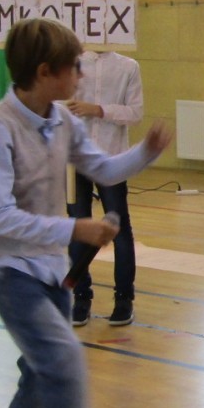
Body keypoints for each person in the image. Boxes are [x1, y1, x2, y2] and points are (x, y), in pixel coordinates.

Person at [0, 18, 170, 408]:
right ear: (45, 72)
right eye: (74, 67)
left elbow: (102, 168)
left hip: (47, 264)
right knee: (61, 358)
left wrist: (146, 152)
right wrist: (74, 228)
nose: (81, 76)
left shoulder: (60, 120)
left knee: (42, 368)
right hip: (6, 266)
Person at [65, 47, 144, 327]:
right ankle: (81, 296)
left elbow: (135, 112)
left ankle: (124, 298)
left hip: (111, 157)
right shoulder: (71, 60)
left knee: (119, 227)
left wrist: (98, 110)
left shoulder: (128, 66)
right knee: (77, 226)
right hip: (74, 158)